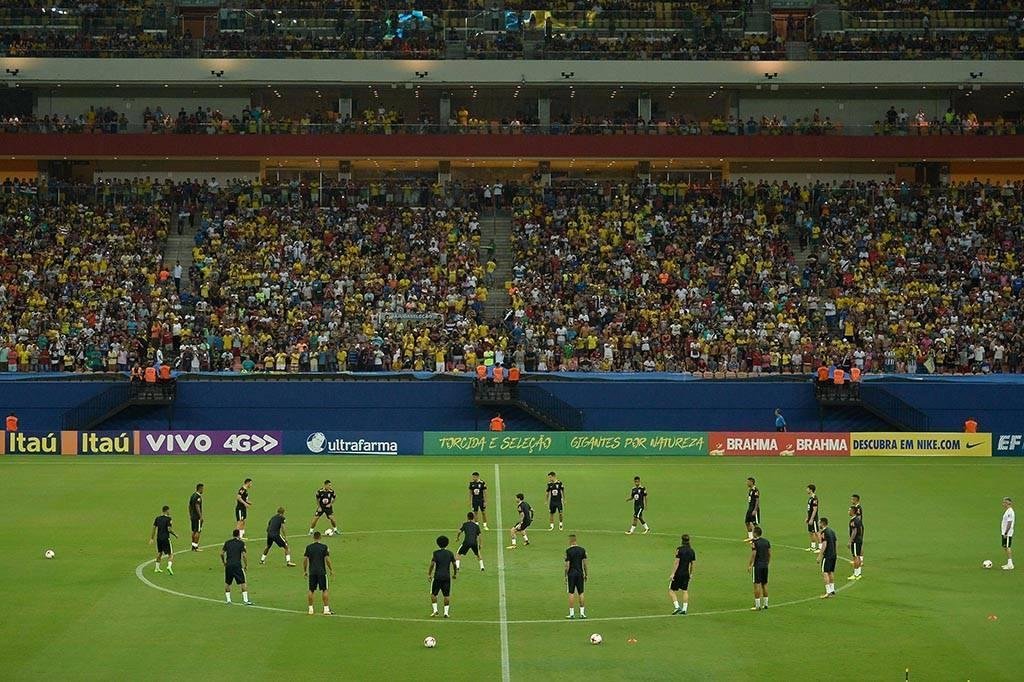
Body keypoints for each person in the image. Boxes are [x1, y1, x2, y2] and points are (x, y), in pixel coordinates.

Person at [303, 531, 334, 615]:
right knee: (324, 589)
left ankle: (310, 609)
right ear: (320, 537)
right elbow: (327, 559)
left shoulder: (309, 547)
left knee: (311, 590)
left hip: (312, 572)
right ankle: (326, 609)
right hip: (321, 572)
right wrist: (331, 569)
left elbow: (305, 560)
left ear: (313, 537)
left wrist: (305, 571)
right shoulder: (324, 547)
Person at [428, 535, 458, 617]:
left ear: (438, 544)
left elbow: (432, 564)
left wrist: (429, 574)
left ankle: (435, 611)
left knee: (433, 594)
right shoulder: (450, 553)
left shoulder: (436, 553)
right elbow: (454, 565)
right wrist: (455, 573)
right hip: (446, 577)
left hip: (437, 576)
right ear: (447, 544)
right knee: (446, 595)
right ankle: (446, 613)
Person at [221, 529, 252, 605]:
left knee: (228, 583)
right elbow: (244, 555)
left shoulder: (227, 542)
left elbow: (221, 553)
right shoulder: (241, 543)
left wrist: (224, 562)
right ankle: (245, 600)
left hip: (228, 565)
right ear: (238, 535)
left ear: (233, 535)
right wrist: (246, 565)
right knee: (243, 582)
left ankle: (228, 600)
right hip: (237, 565)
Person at [669, 534, 696, 615]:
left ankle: (677, 607)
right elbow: (692, 564)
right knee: (685, 591)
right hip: (686, 573)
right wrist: (691, 574)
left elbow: (677, 562)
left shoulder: (679, 549)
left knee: (671, 590)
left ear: (682, 540)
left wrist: (673, 573)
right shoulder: (692, 551)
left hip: (678, 573)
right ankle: (684, 609)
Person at [565, 534, 588, 619]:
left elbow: (567, 565)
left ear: (571, 541)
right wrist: (586, 574)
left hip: (571, 574)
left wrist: (565, 575)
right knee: (581, 593)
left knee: (571, 593)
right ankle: (582, 613)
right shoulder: (582, 550)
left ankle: (571, 613)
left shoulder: (568, 551)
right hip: (580, 573)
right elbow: (585, 563)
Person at [748, 526, 771, 610]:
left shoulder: (755, 543)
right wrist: (767, 562)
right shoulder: (766, 542)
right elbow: (769, 553)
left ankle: (757, 605)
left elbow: (754, 554)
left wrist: (750, 565)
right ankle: (766, 604)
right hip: (765, 565)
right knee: (764, 584)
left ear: (755, 533)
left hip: (757, 566)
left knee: (756, 585)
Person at [149, 505, 176, 575]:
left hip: (159, 538)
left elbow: (154, 528)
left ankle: (157, 568)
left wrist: (152, 538)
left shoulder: (157, 518)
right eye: (169, 510)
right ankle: (169, 566)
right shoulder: (168, 519)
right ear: (166, 510)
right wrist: (175, 534)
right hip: (165, 538)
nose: (169, 512)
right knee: (171, 554)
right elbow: (169, 529)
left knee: (160, 552)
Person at [817, 517, 838, 598]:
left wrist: (820, 555)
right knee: (830, 572)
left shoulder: (824, 532)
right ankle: (832, 590)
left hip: (827, 555)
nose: (819, 524)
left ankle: (828, 592)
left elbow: (824, 544)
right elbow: (836, 542)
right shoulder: (832, 531)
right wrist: (835, 553)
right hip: (833, 555)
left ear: (822, 523)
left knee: (825, 572)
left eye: (819, 523)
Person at [847, 506, 864, 580]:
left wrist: (850, 541)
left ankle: (856, 574)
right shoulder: (858, 519)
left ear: (853, 511)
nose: (848, 511)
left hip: (855, 541)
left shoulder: (854, 521)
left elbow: (854, 531)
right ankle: (859, 573)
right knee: (858, 556)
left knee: (855, 556)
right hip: (859, 539)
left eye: (849, 510)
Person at [189, 483, 204, 551]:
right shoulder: (198, 497)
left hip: (192, 516)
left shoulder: (192, 495)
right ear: (200, 488)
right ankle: (195, 547)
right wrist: (200, 516)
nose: (203, 490)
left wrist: (190, 514)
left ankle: (193, 546)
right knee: (198, 531)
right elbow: (197, 506)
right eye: (202, 488)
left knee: (194, 531)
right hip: (197, 517)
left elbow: (189, 506)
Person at [805, 484, 820, 552]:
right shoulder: (810, 498)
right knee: (811, 532)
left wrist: (811, 519)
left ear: (811, 490)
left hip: (813, 518)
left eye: (807, 489)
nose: (806, 490)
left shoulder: (814, 498)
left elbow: (815, 509)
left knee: (816, 532)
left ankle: (820, 547)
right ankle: (813, 547)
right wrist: (807, 517)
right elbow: (809, 509)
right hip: (810, 518)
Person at [1002, 497, 1015, 570]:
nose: (1003, 504)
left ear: (1008, 503)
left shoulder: (1010, 512)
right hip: (1005, 532)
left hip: (1007, 533)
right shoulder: (1008, 511)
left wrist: (1006, 533)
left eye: (1004, 502)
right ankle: (1009, 563)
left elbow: (1009, 523)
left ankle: (1010, 564)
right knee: (1005, 546)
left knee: (1007, 547)